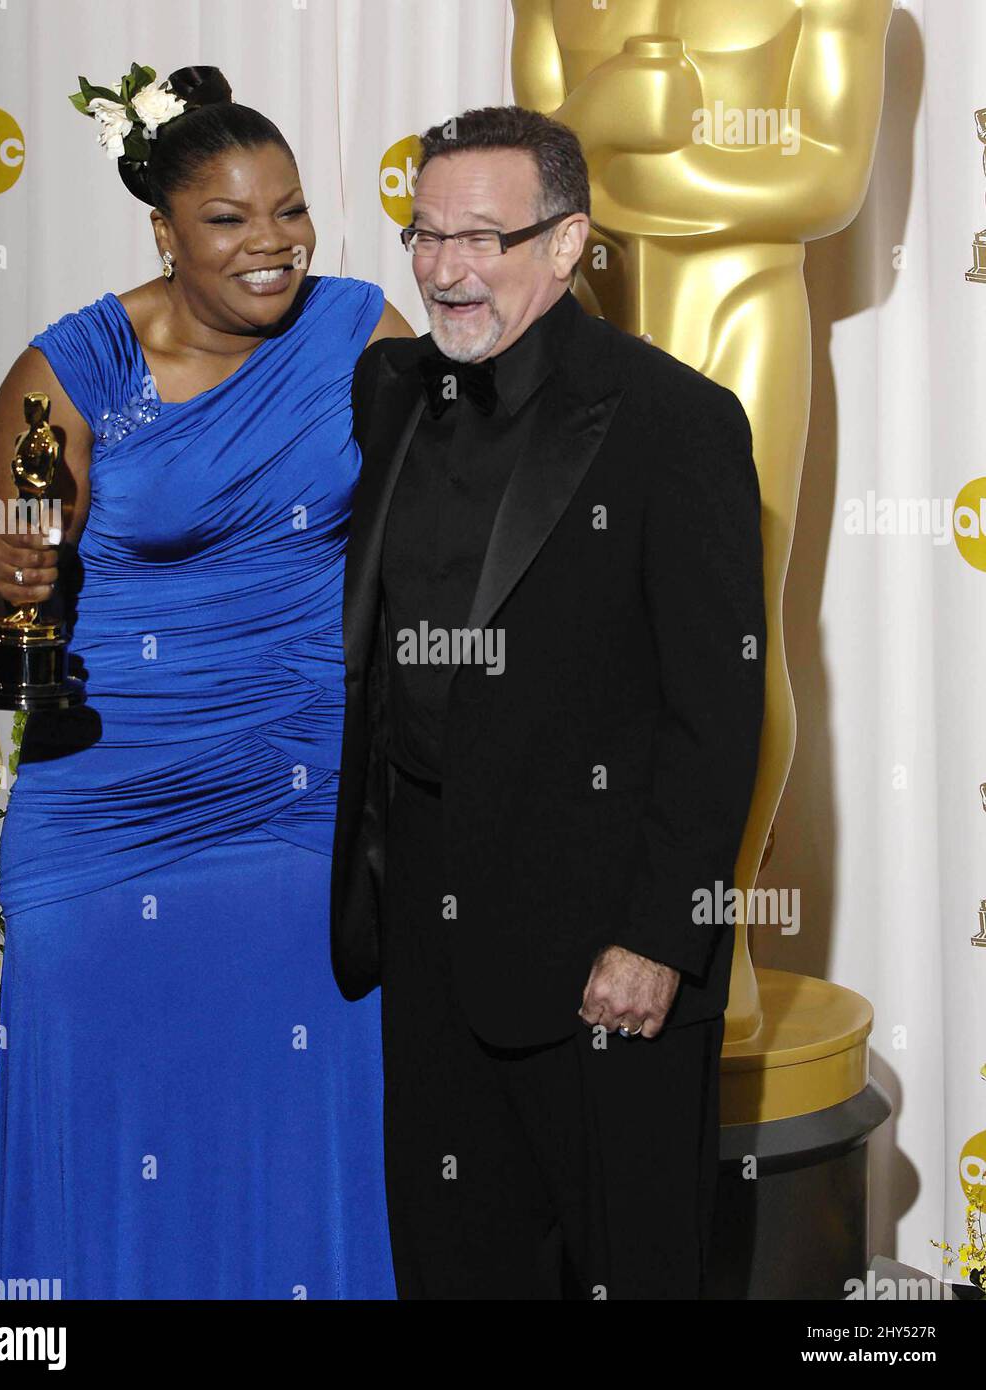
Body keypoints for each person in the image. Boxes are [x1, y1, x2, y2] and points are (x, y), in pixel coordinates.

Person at [0, 63, 413, 1299]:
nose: (272, 244)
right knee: (110, 1097)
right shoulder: (69, 368)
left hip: (295, 796)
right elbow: (9, 581)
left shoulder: (357, 329)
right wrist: (11, 567)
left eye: (289, 210)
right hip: (108, 807)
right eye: (229, 220)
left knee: (296, 1107)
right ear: (163, 231)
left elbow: (452, 505)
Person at [331, 104, 767, 1300]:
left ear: (570, 243)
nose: (445, 269)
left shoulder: (673, 420)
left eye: (484, 237)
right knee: (452, 1262)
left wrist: (659, 937)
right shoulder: (389, 388)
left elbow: (718, 705)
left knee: (633, 1270)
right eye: (424, 236)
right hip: (425, 928)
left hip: (602, 952)